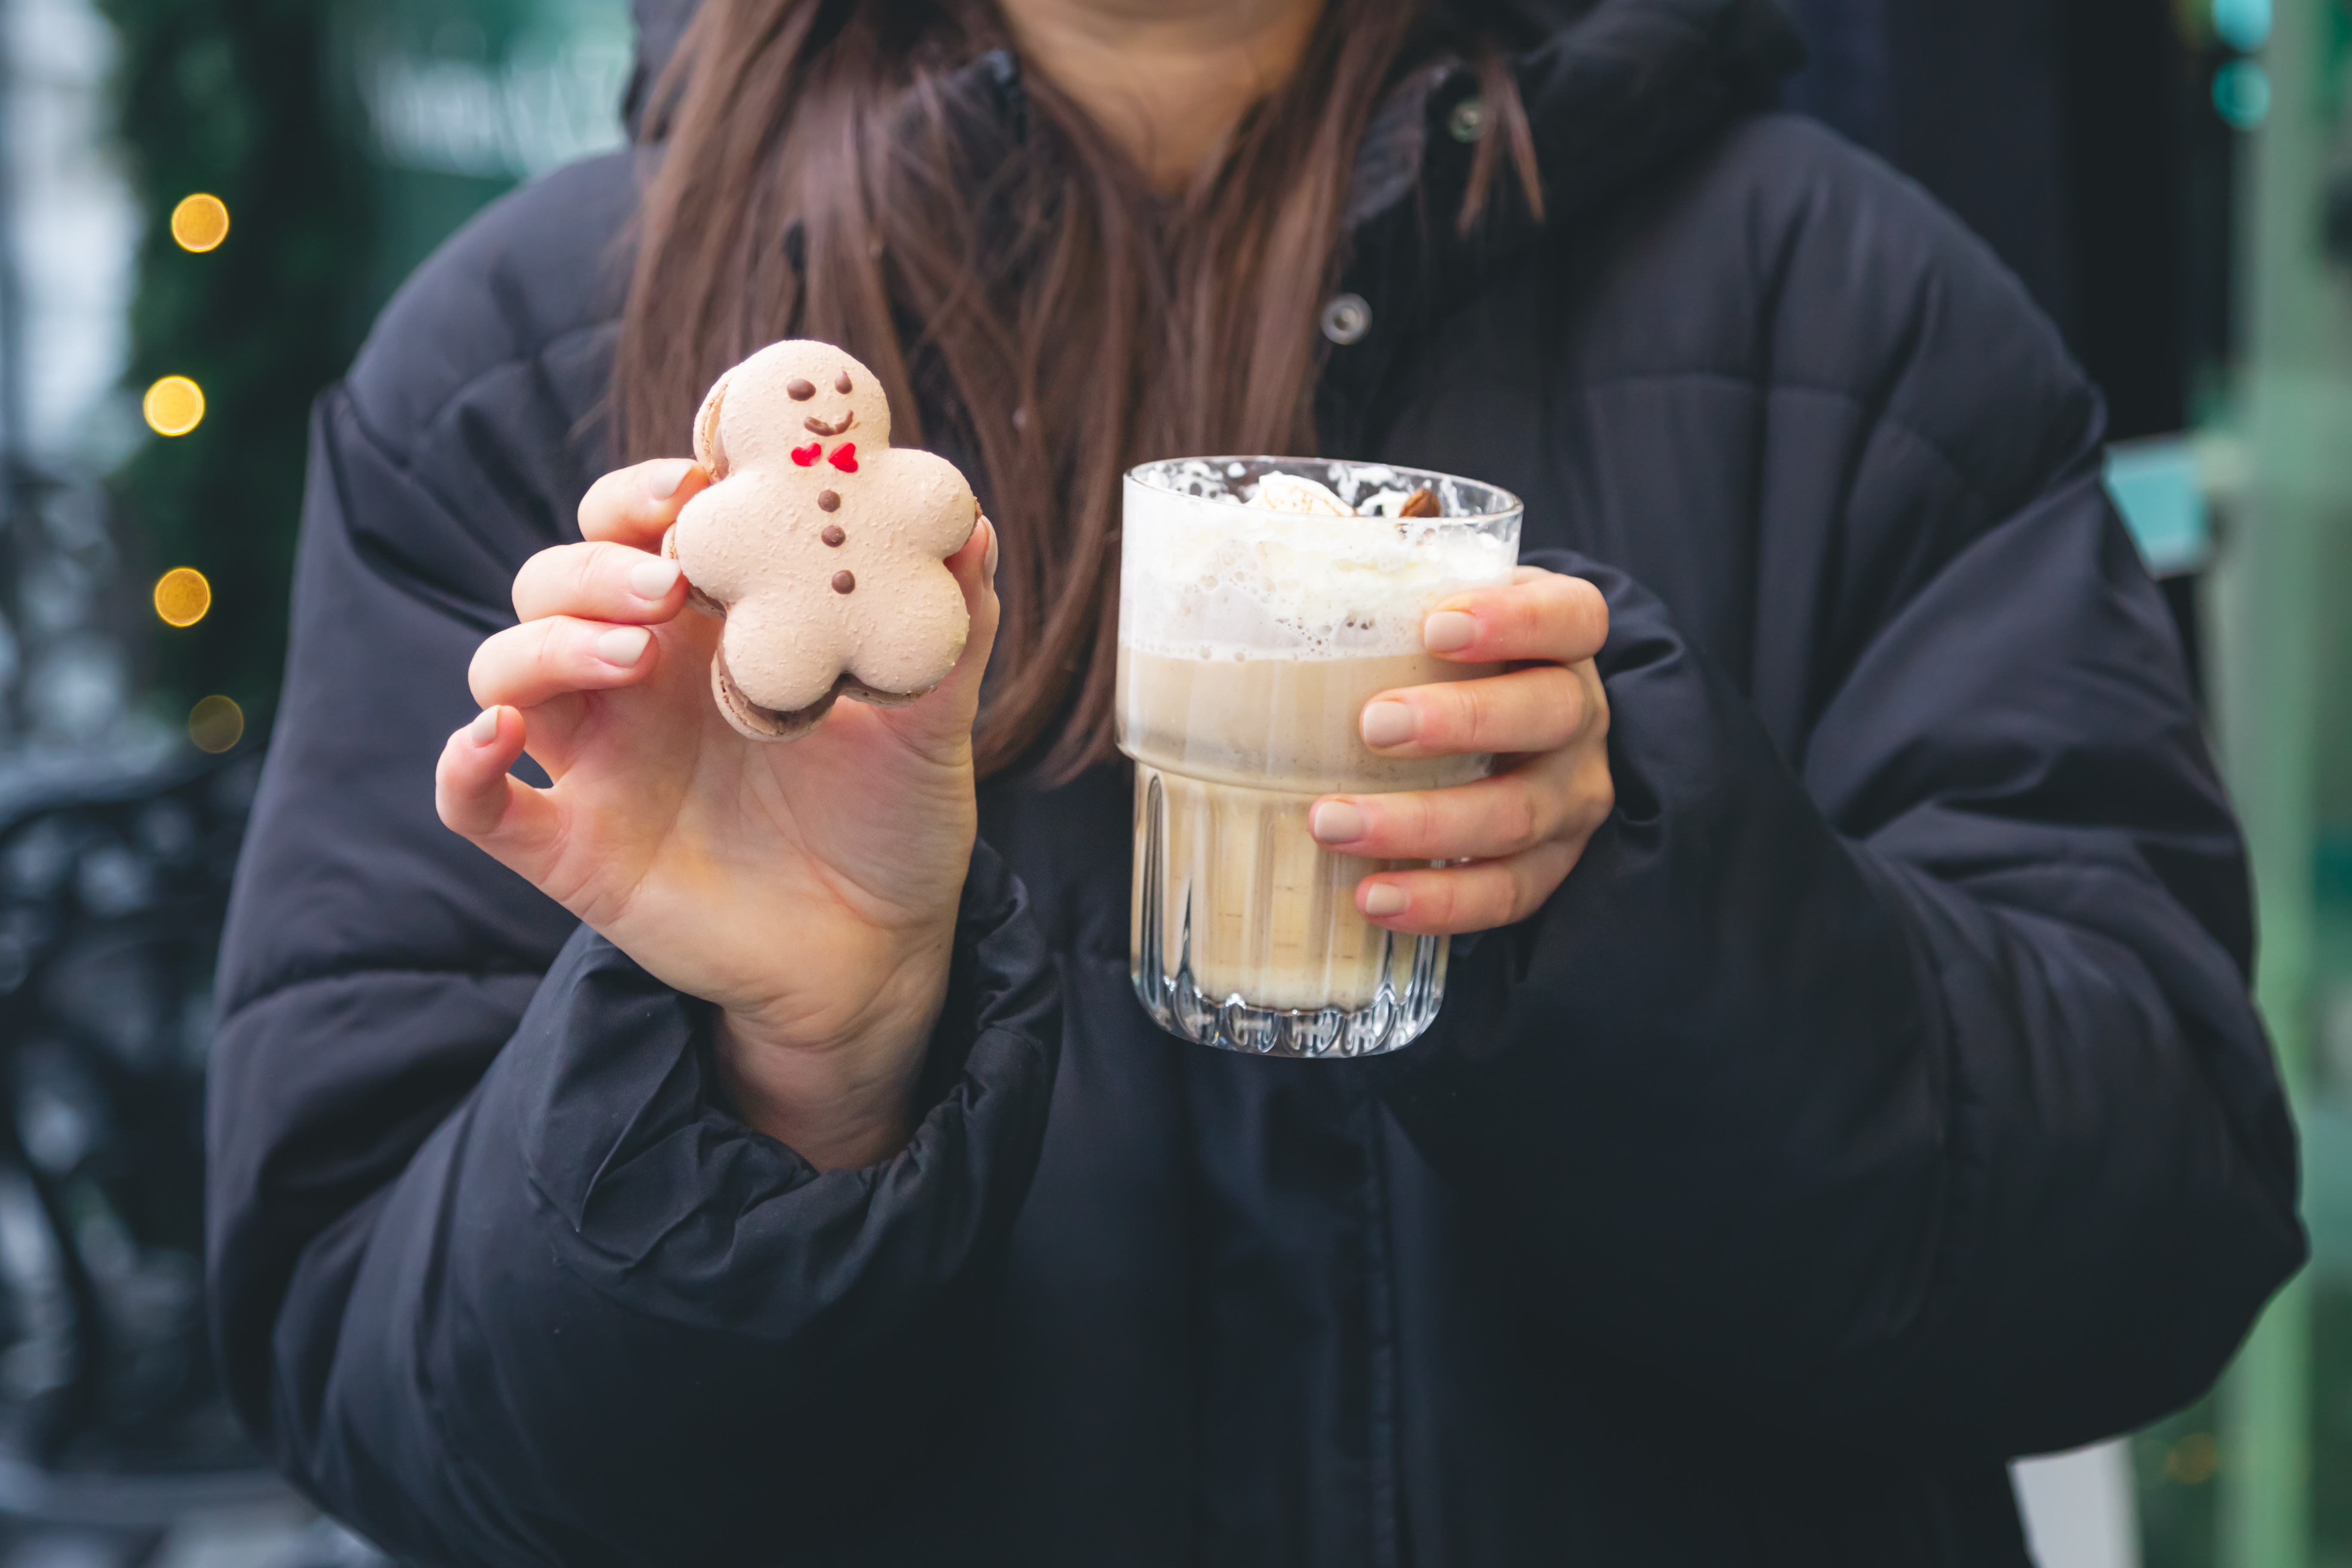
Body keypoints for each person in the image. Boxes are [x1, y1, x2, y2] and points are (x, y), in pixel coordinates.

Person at [206, 0, 2305, 1562]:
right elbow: (385, 1400)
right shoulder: (523, 370)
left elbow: (2153, 1232)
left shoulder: (1852, 305)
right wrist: (787, 1078)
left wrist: (1633, 902)